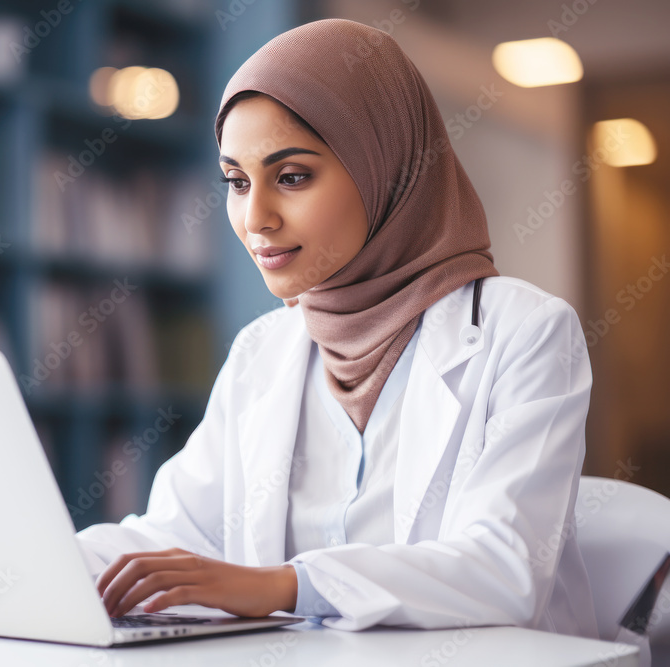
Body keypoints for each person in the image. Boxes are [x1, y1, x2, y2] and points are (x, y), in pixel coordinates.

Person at [75, 18, 600, 640]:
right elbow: (173, 535)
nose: (256, 219)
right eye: (237, 183)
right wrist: (37, 563)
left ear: (385, 169)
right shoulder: (262, 351)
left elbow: (505, 568)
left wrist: (284, 585)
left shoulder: (526, 331)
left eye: (292, 177)